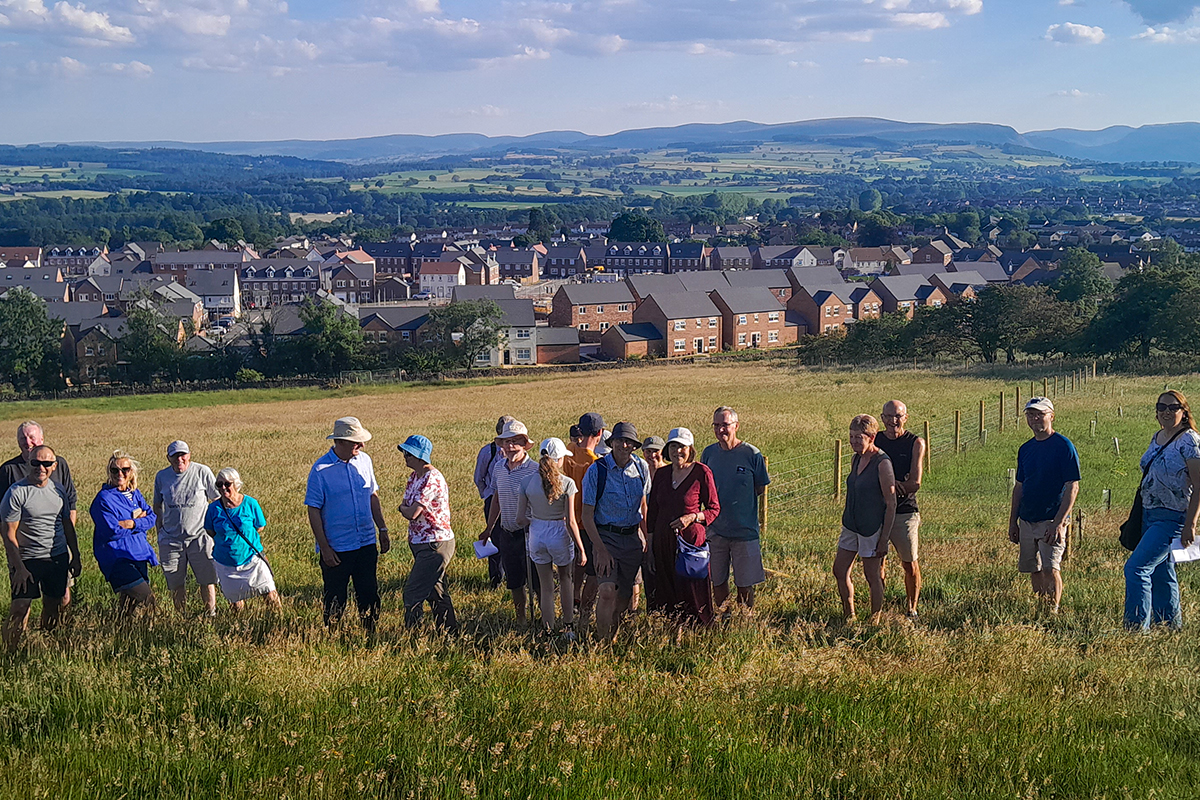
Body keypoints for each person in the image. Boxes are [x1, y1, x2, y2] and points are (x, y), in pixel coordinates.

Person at [305, 417, 390, 635]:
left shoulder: (365, 461)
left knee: (369, 592)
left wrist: (382, 529)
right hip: (337, 547)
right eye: (356, 442)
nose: (361, 446)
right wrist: (324, 548)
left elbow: (373, 495)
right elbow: (313, 509)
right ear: (339, 442)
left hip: (366, 541)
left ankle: (371, 633)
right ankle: (333, 636)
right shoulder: (320, 470)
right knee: (335, 596)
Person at [1124, 390, 1200, 630]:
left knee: (1136, 568)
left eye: (1173, 407)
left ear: (1184, 412)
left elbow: (1199, 485)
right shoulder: (1158, 436)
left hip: (1173, 516)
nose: (1167, 412)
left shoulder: (1189, 440)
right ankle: (1169, 626)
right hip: (1149, 513)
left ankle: (1136, 629)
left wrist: (1190, 524)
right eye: (1162, 407)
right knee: (1160, 571)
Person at [2, 445, 79, 650]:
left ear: (54, 466)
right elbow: (9, 533)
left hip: (56, 557)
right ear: (28, 464)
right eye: (36, 463)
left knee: (53, 605)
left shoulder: (59, 490)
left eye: (46, 463)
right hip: (27, 560)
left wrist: (76, 555)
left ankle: (48, 646)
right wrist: (19, 567)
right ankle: (10, 653)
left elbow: (67, 526)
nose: (41, 467)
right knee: (20, 607)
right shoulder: (16, 493)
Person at [1008, 397, 1080, 615]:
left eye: (1040, 414)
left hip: (1051, 519)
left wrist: (1059, 523)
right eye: (1030, 414)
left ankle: (1054, 610)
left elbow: (1072, 487)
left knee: (1051, 567)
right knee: (1034, 568)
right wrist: (1013, 521)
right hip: (1028, 517)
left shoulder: (1063, 446)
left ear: (1051, 416)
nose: (1035, 418)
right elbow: (1019, 486)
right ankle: (1041, 608)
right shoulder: (1026, 449)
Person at [581, 422, 650, 643]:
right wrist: (599, 549)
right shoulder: (597, 470)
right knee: (608, 590)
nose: (624, 445)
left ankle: (613, 634)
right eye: (619, 440)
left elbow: (644, 505)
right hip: (606, 536)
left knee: (625, 594)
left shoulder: (641, 468)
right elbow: (586, 515)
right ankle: (602, 643)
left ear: (634, 446)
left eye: (629, 441)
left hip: (631, 537)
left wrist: (647, 538)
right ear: (611, 443)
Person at [647, 428, 720, 625]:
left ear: (691, 449)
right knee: (666, 591)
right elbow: (652, 512)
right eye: (673, 446)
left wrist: (693, 517)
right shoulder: (661, 474)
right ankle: (672, 634)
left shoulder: (701, 472)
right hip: (663, 542)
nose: (677, 451)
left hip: (690, 545)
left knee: (692, 592)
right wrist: (651, 547)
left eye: (682, 447)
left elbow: (714, 509)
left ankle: (699, 633)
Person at [701, 407, 770, 613]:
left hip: (744, 532)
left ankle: (744, 619)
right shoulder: (709, 453)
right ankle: (725, 616)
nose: (721, 429)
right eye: (716, 425)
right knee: (717, 580)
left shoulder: (751, 454)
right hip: (715, 531)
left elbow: (759, 487)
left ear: (736, 426)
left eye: (725, 425)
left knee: (745, 583)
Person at [518, 437, 586, 638]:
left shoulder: (526, 482)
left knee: (546, 585)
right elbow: (571, 522)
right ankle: (567, 627)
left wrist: (536, 522)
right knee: (565, 579)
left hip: (537, 533)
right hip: (559, 533)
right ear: (559, 460)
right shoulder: (567, 483)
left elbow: (520, 518)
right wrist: (581, 548)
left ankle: (547, 629)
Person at [833, 415, 897, 621]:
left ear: (872, 437)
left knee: (872, 576)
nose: (853, 442)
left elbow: (891, 503)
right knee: (840, 570)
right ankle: (849, 615)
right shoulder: (856, 458)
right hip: (851, 524)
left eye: (858, 437)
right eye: (851, 437)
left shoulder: (882, 463)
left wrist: (883, 538)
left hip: (871, 528)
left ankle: (874, 620)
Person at [479, 419, 539, 624]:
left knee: (537, 581)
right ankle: (521, 618)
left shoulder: (535, 470)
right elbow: (496, 498)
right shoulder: (498, 469)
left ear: (524, 444)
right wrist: (489, 527)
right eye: (506, 441)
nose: (510, 446)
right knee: (514, 581)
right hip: (507, 532)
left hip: (531, 534)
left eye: (515, 441)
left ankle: (543, 617)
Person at [398, 435, 458, 632]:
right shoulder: (414, 477)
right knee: (436, 591)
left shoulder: (431, 478)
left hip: (435, 543)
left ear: (420, 456)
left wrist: (404, 509)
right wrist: (406, 508)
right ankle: (450, 632)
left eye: (409, 453)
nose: (405, 456)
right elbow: (408, 507)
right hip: (422, 542)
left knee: (413, 593)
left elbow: (412, 512)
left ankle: (413, 636)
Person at [153, 440, 220, 616]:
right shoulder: (162, 477)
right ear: (168, 458)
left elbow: (217, 500)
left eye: (183, 455)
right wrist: (159, 529)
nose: (179, 459)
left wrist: (214, 529)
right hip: (171, 539)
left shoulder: (202, 471)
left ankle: (211, 614)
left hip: (200, 536)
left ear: (189, 455)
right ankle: (182, 617)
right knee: (176, 583)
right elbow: (157, 505)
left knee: (207, 579)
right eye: (174, 456)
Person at [874, 400, 926, 620]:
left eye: (897, 416)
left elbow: (915, 483)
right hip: (876, 510)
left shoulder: (916, 443)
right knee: (877, 561)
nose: (892, 421)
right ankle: (878, 608)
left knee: (909, 563)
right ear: (882, 418)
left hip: (905, 511)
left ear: (906, 417)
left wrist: (886, 485)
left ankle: (911, 609)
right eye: (888, 416)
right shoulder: (874, 439)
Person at [90, 450, 159, 615]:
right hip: (117, 558)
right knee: (147, 599)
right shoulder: (103, 499)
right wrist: (139, 522)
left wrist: (131, 523)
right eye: (114, 470)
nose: (119, 474)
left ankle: (122, 634)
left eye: (125, 470)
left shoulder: (134, 494)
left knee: (129, 604)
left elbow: (152, 517)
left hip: (139, 554)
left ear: (131, 472)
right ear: (109, 472)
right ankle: (149, 632)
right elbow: (111, 531)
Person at [203, 467, 280, 612]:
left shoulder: (250, 503)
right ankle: (241, 628)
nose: (223, 488)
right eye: (219, 485)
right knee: (236, 603)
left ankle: (279, 623)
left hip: (252, 559)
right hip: (226, 563)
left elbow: (259, 526)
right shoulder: (213, 509)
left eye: (227, 484)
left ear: (236, 484)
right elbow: (210, 530)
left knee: (269, 593)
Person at [564, 412, 604, 629]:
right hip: (588, 523)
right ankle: (585, 611)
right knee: (593, 570)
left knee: (575, 565)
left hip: (568, 520)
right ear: (600, 434)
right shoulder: (596, 463)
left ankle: (574, 599)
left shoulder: (569, 454)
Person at [473, 416, 513, 589]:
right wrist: (488, 496)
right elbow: (478, 478)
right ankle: (496, 579)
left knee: (513, 539)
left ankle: (514, 577)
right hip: (493, 501)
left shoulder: (516, 452)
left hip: (512, 501)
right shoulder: (487, 451)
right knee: (495, 539)